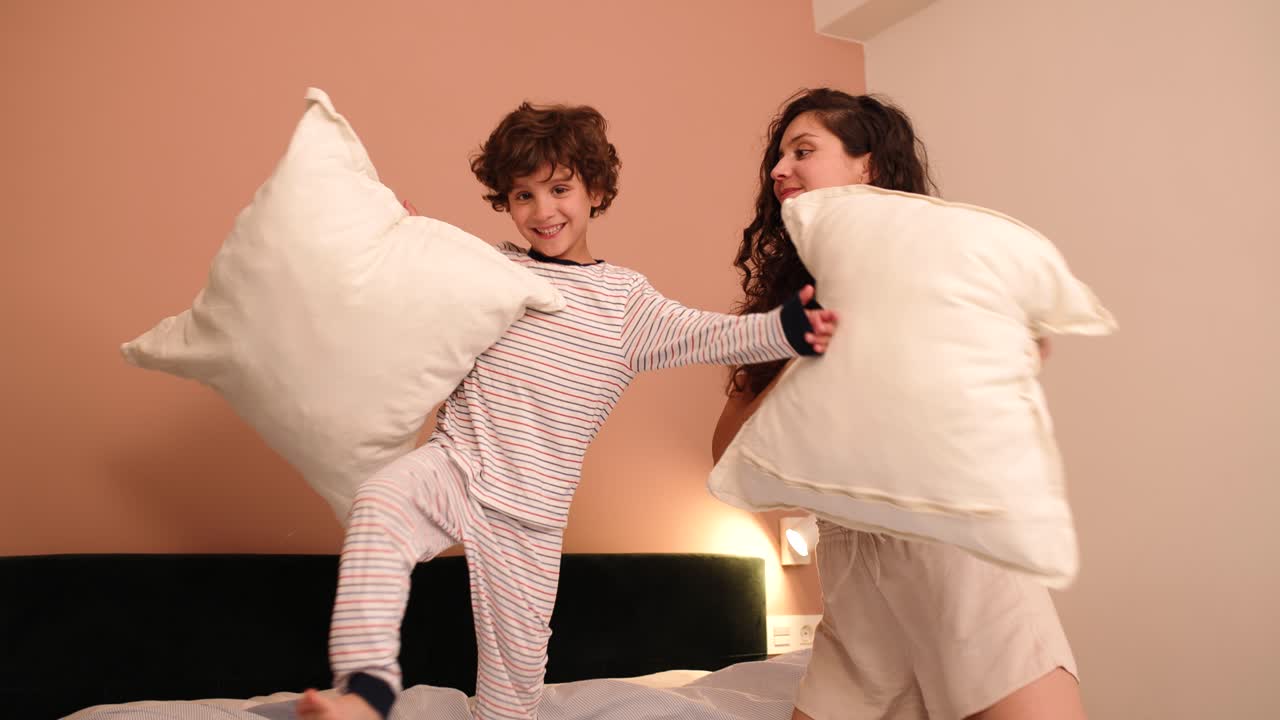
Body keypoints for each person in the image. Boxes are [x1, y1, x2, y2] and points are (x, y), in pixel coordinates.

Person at [298, 101, 839, 720]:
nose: (542, 211)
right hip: (457, 467)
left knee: (512, 699)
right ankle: (366, 690)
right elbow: (415, 286)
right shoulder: (491, 269)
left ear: (596, 190)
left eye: (559, 189)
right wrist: (401, 243)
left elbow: (710, 334)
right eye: (523, 196)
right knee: (380, 502)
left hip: (531, 515)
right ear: (505, 203)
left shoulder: (624, 303)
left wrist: (787, 331)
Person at [711, 88, 1087, 720]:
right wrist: (808, 347)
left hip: (957, 567)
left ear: (869, 166)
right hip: (855, 591)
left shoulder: (936, 268)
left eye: (803, 151)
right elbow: (724, 453)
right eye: (778, 157)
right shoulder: (783, 310)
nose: (779, 170)